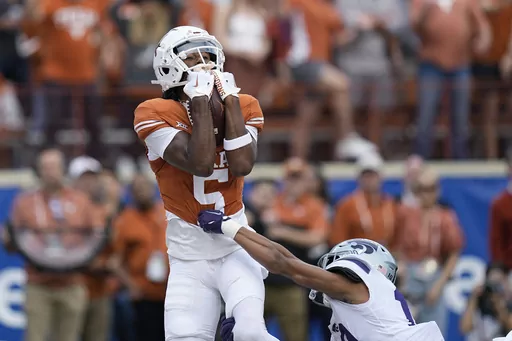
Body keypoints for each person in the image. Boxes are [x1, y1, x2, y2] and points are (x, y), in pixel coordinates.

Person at [133, 26, 277, 341]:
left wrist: (232, 104)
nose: (204, 64)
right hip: (188, 258)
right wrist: (199, 103)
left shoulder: (245, 104)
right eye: (192, 57)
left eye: (209, 56)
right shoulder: (154, 111)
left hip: (236, 247)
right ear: (168, 66)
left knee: (250, 333)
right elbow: (200, 163)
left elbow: (242, 165)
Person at [197, 211, 445, 341]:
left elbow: (287, 265)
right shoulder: (365, 310)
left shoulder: (361, 279)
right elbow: (290, 262)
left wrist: (231, 228)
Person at [460, 262, 512, 341]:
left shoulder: (509, 303)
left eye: (499, 281)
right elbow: (465, 328)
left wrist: (498, 303)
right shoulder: (477, 300)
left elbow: (509, 327)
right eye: (493, 281)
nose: (495, 285)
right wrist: (474, 298)